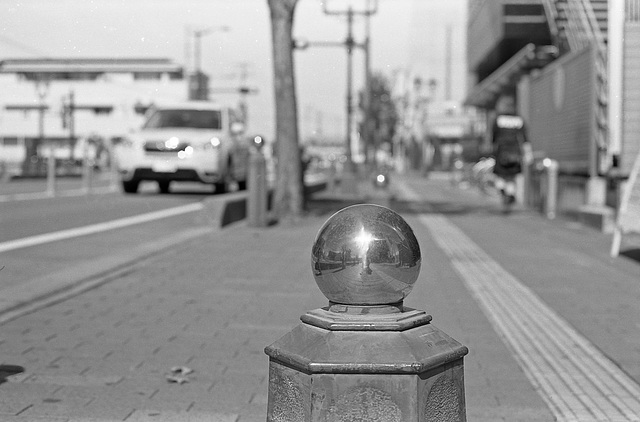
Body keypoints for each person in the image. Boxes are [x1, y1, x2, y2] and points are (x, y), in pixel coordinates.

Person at [491, 96, 532, 210]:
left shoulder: (498, 119)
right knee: (511, 177)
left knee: (499, 175)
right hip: (515, 153)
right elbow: (525, 138)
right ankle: (510, 193)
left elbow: (493, 137)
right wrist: (528, 154)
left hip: (501, 152)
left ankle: (504, 191)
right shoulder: (519, 119)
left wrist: (492, 150)